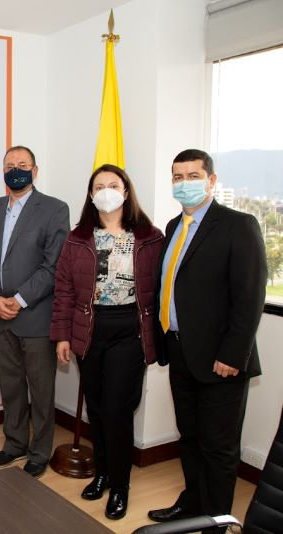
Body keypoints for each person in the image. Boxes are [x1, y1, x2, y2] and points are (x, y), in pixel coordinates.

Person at [148, 149, 266, 532]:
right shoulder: (173, 227)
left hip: (221, 359)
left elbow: (249, 297)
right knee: (190, 437)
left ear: (211, 180)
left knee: (218, 448)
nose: (184, 184)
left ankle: (215, 522)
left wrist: (233, 354)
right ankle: (192, 506)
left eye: (193, 176)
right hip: (179, 349)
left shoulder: (237, 225)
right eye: (177, 177)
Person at [50, 164, 164, 520]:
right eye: (99, 186)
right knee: (97, 407)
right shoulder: (78, 238)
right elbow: (64, 290)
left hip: (129, 330)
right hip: (89, 330)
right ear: (90, 194)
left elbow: (161, 290)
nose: (106, 191)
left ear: (126, 192)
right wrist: (62, 335)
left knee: (117, 409)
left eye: (113, 185)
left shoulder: (149, 237)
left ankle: (120, 486)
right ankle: (101, 473)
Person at [0, 145, 69, 478]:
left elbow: (53, 265)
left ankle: (40, 451)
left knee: (41, 390)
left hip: (36, 316)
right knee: (11, 386)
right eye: (10, 165)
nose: (16, 169)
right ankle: (14, 443)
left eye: (23, 164)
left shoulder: (55, 209)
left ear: (35, 170)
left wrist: (19, 299)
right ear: (3, 172)